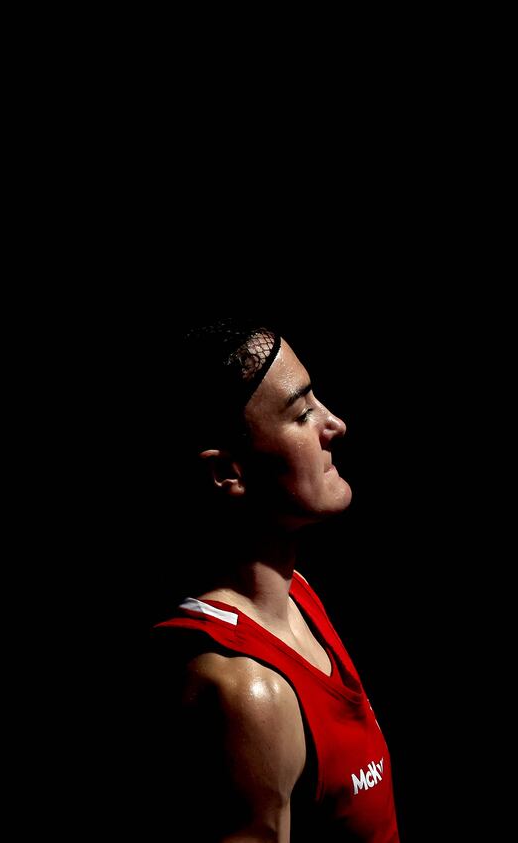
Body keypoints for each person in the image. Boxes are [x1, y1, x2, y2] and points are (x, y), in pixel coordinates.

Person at [147, 319, 399, 843]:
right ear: (227, 474)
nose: (336, 425)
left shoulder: (298, 596)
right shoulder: (246, 691)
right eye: (303, 413)